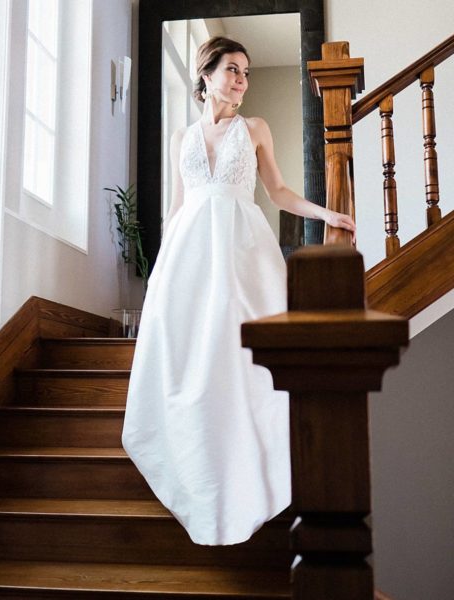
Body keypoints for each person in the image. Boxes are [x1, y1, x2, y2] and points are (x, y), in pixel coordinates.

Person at [122, 36, 356, 546]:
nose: (242, 81)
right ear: (206, 75)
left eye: (246, 72)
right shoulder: (181, 137)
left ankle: (254, 473)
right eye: (232, 70)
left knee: (244, 358)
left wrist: (324, 213)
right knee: (190, 361)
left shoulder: (255, 129)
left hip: (242, 251)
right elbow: (177, 209)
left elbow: (277, 191)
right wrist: (160, 275)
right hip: (189, 255)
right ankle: (200, 477)